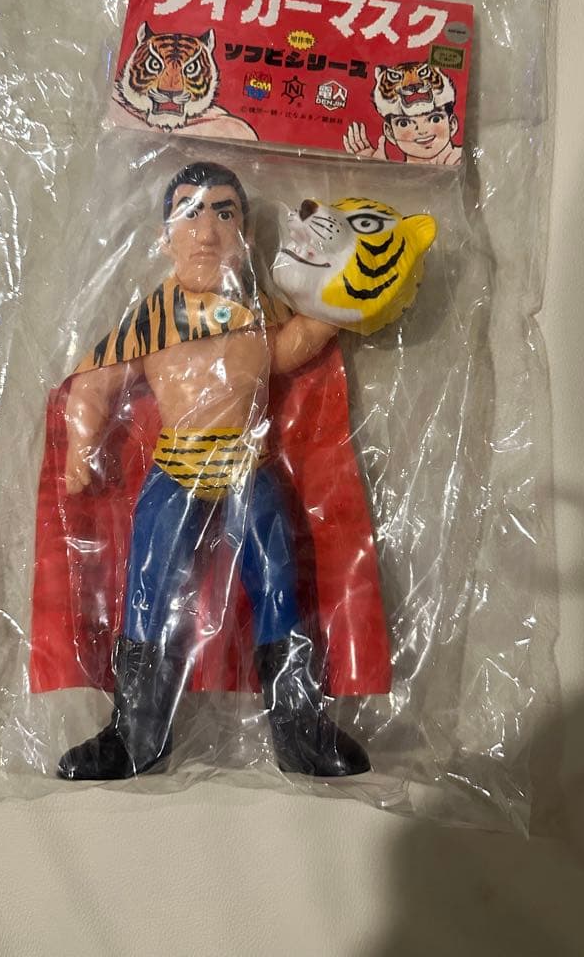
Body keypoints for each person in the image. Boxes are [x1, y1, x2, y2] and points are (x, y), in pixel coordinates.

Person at [56, 161, 371, 781]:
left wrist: (341, 301)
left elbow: (290, 348)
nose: (205, 231)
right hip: (175, 468)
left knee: (278, 582)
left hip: (248, 467)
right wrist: (80, 445)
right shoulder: (150, 317)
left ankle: (298, 728)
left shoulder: (258, 308)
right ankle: (138, 732)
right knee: (148, 589)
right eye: (189, 214)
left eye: (223, 213)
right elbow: (95, 381)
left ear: (245, 233)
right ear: (165, 236)